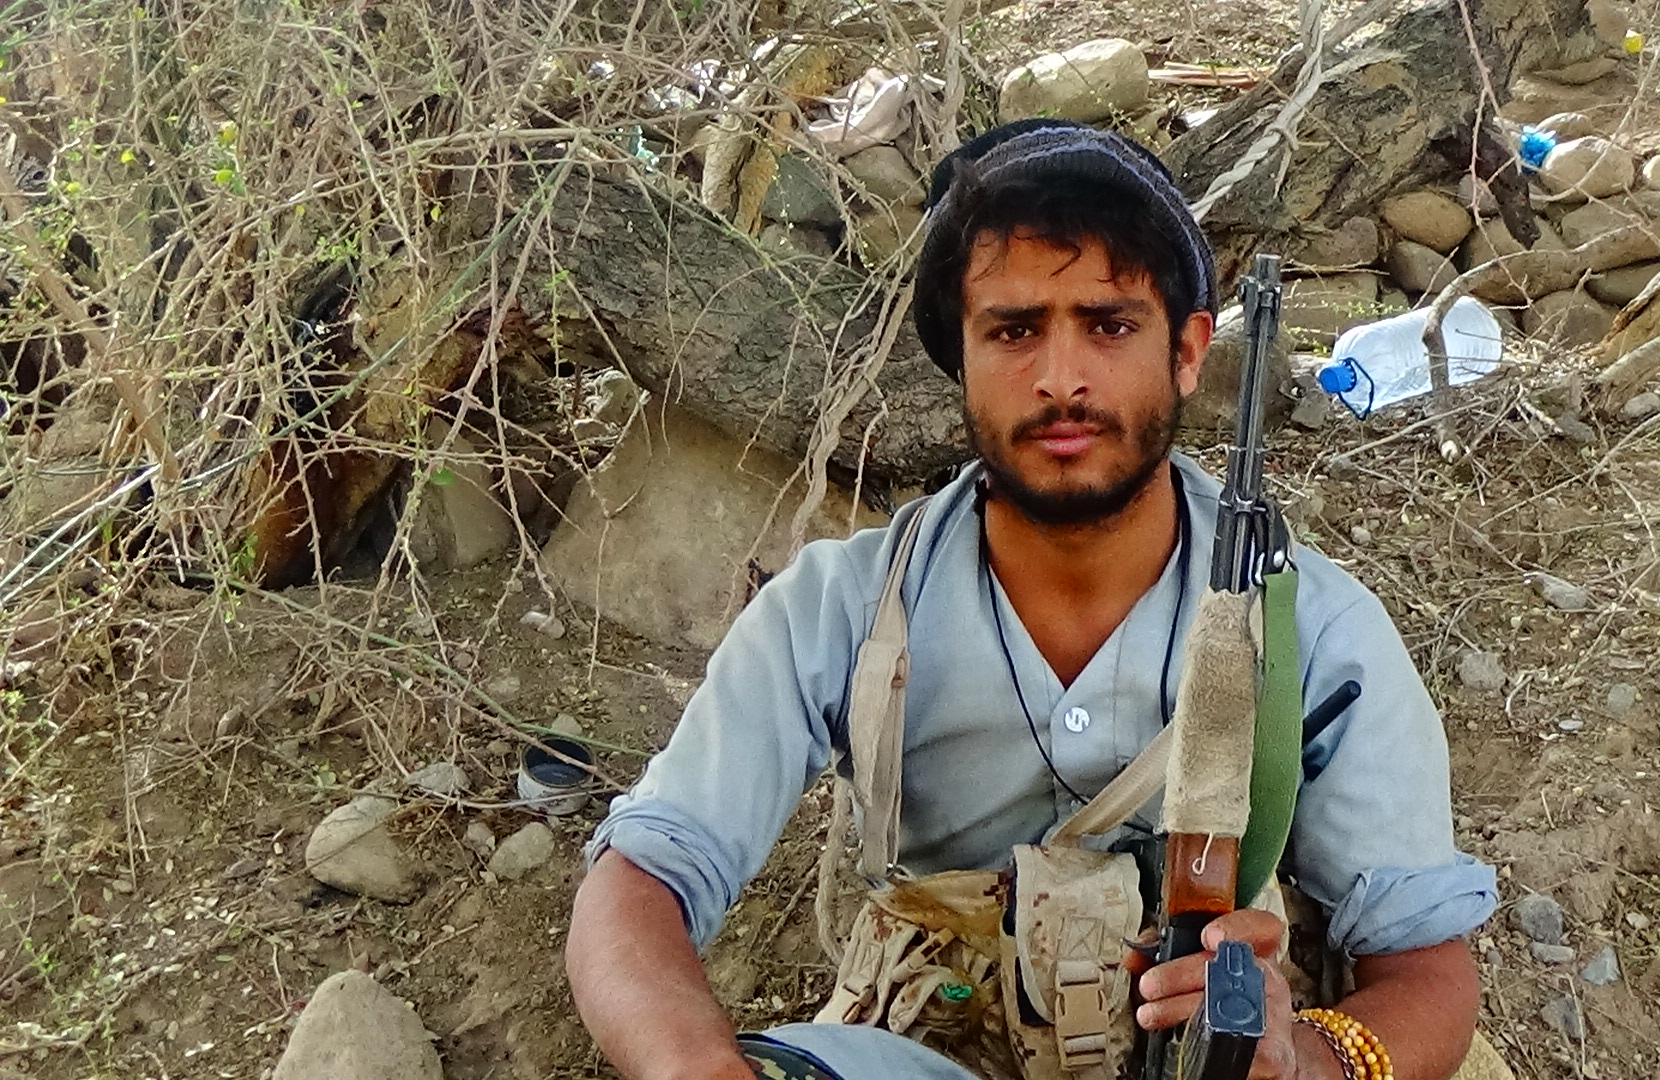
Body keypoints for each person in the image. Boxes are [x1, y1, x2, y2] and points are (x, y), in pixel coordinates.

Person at [566, 120, 1498, 1080]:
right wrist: (694, 1067)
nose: (1060, 380)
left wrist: (1306, 1061)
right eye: (1013, 331)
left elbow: (1425, 968)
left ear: (1188, 351)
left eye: (1109, 325)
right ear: (961, 361)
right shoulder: (844, 611)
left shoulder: (1313, 633)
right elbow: (642, 876)